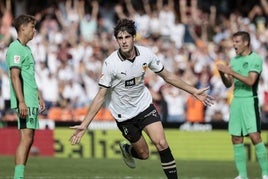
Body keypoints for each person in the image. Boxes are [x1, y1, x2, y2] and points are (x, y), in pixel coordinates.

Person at [69, 18, 214, 179]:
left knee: (161, 143)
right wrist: (84, 124)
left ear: (133, 37)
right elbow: (100, 96)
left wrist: (193, 91)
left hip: (144, 107)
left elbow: (167, 76)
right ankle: (128, 150)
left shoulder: (146, 54)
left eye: (127, 37)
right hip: (124, 115)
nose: (124, 42)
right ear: (117, 40)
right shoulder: (111, 64)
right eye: (120, 38)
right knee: (144, 154)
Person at [217, 31, 268, 179]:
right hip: (236, 100)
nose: (234, 45)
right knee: (236, 138)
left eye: (237, 42)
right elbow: (228, 84)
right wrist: (222, 74)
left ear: (246, 42)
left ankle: (265, 174)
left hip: (249, 100)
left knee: (255, 136)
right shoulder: (234, 60)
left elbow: (251, 81)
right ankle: (242, 176)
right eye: (233, 42)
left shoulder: (255, 59)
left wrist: (230, 71)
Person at [5, 14, 46, 179]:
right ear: (22, 28)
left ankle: (20, 175)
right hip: (25, 102)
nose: (34, 30)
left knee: (29, 139)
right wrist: (21, 101)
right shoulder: (15, 48)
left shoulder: (26, 49)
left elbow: (28, 76)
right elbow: (15, 76)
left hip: (31, 100)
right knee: (26, 138)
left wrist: (38, 95)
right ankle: (18, 177)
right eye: (32, 27)